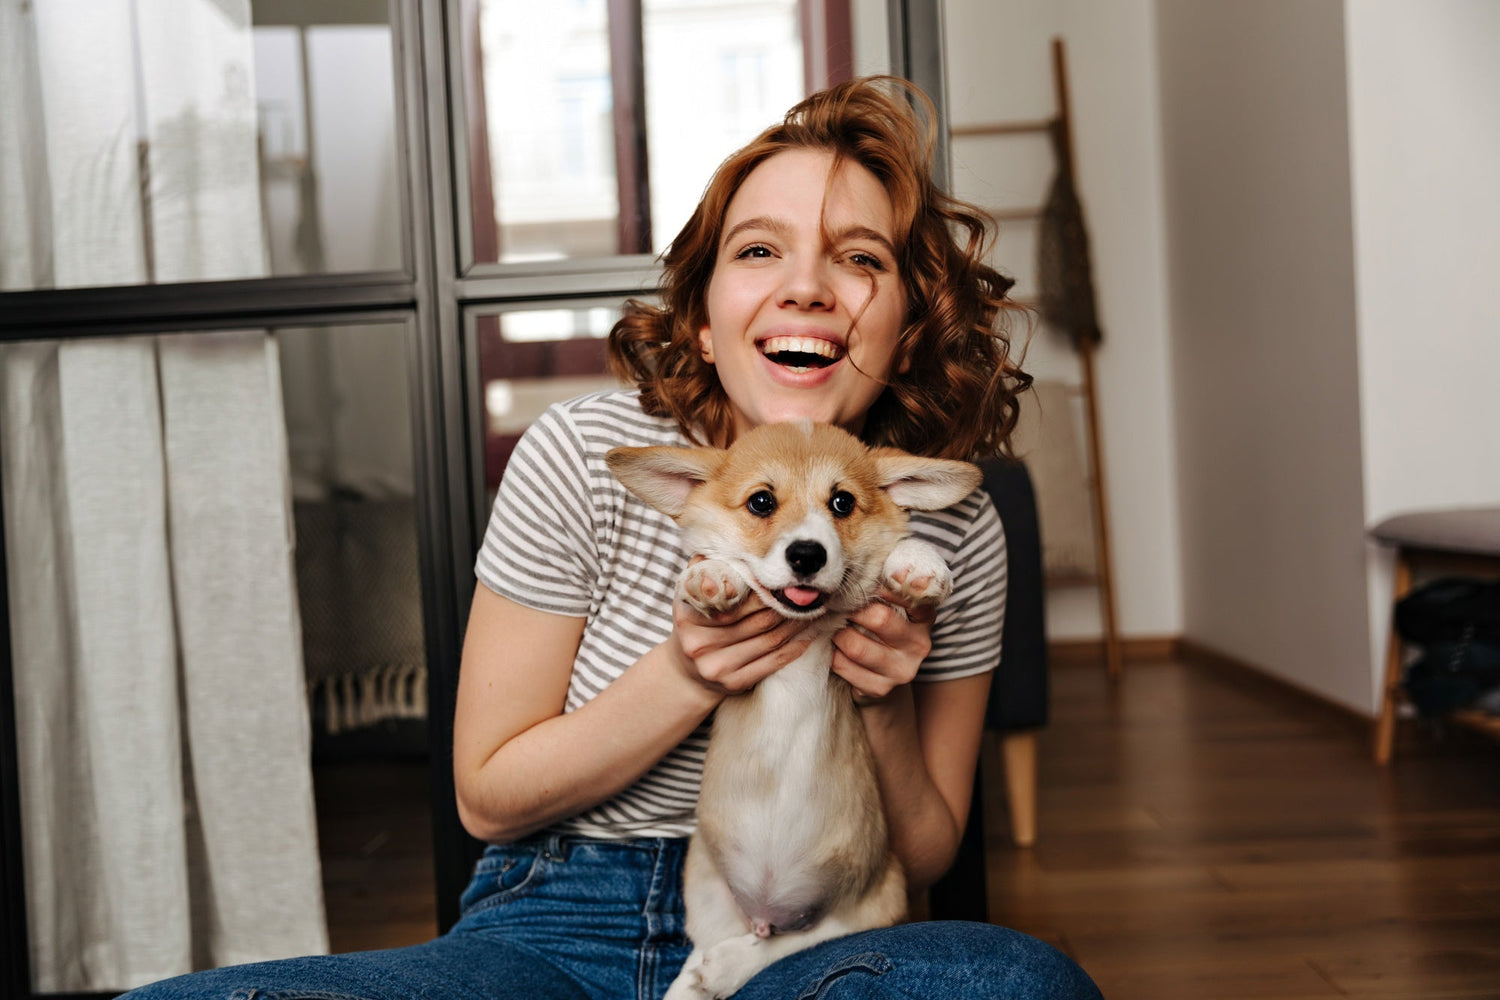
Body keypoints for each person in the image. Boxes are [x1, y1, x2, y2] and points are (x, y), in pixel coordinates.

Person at [123, 77, 1101, 1000]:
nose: (807, 284)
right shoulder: (585, 452)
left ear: (906, 327)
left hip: (814, 931)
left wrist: (880, 699)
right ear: (708, 322)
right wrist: (689, 668)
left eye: (860, 257)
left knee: (1015, 981)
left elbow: (924, 852)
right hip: (556, 922)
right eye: (759, 251)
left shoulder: (946, 524)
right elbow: (487, 797)